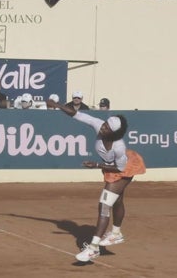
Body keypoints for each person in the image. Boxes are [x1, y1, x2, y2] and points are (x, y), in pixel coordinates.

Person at [46, 99, 146, 262]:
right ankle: (116, 233)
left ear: (114, 133)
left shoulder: (118, 147)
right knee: (117, 200)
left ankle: (93, 248)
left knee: (104, 205)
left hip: (124, 168)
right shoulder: (98, 124)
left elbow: (121, 169)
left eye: (106, 127)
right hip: (110, 167)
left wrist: (97, 165)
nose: (103, 127)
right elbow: (77, 115)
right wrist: (57, 106)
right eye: (104, 124)